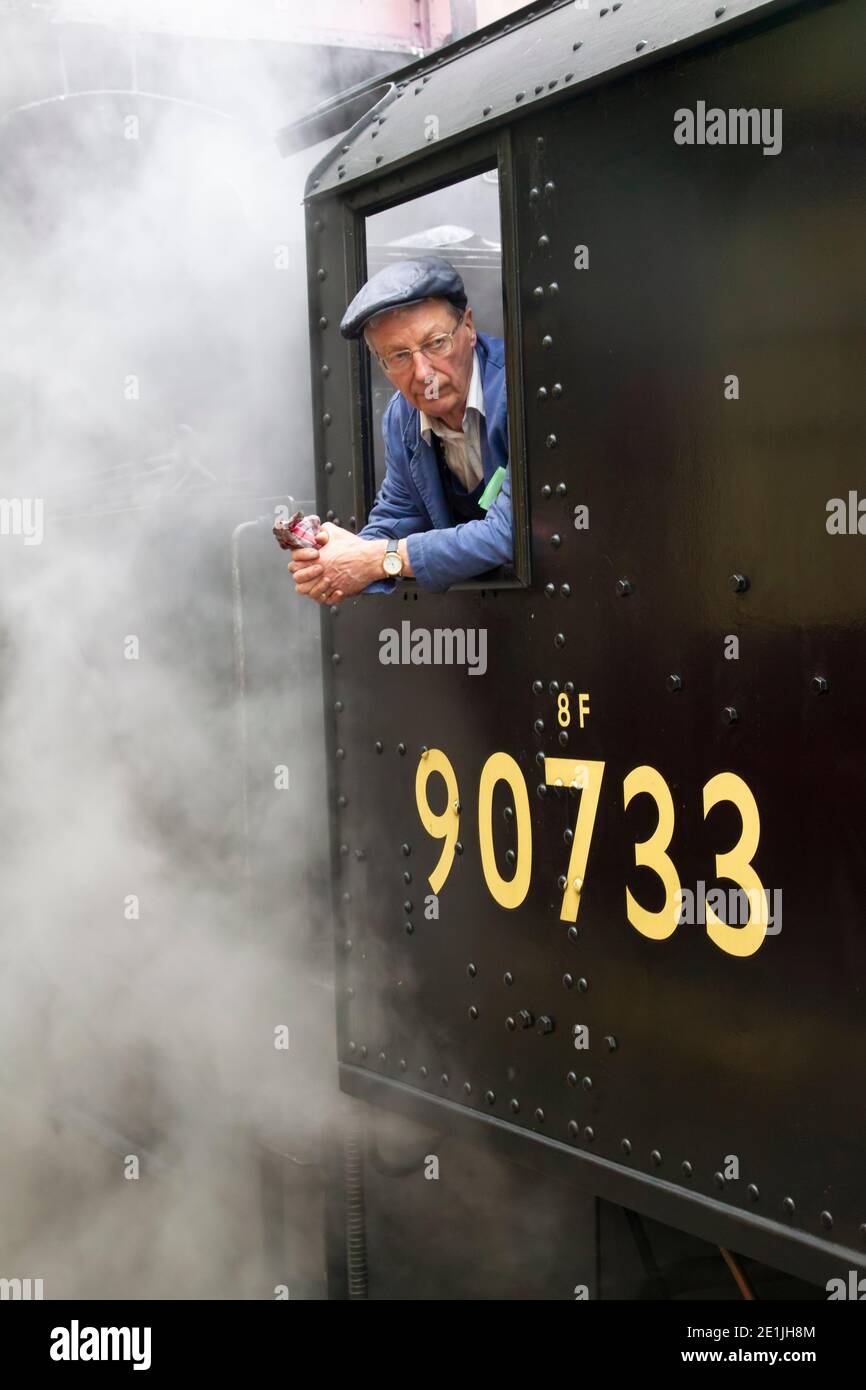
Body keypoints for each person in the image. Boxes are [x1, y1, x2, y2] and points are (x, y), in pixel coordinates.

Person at [289, 254, 512, 604]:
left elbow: (510, 532)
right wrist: (331, 558)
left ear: (468, 328)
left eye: (436, 343)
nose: (423, 373)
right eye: (399, 356)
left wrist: (377, 560)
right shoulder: (401, 418)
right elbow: (399, 514)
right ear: (382, 364)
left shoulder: (522, 389)